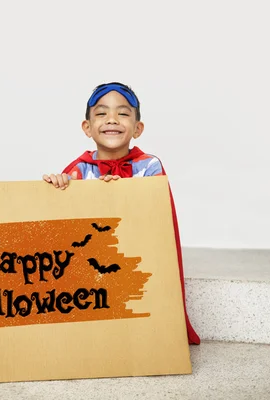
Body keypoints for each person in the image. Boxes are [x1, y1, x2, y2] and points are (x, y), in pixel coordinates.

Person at [43, 82, 200, 345]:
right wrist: (58, 187)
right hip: (94, 263)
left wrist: (122, 194)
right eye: (101, 113)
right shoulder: (79, 170)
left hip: (136, 256)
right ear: (87, 127)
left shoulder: (149, 165)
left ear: (137, 128)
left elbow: (156, 218)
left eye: (123, 113)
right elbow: (66, 227)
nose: (112, 120)